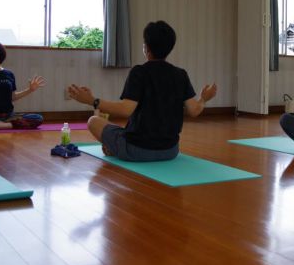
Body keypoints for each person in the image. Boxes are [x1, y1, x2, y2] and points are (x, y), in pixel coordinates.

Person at [67, 20, 217, 162]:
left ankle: (115, 148)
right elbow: (194, 110)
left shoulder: (139, 72)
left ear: (146, 47)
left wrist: (92, 101)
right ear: (170, 48)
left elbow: (125, 110)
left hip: (136, 150)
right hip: (170, 151)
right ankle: (115, 147)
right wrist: (204, 98)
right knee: (121, 130)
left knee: (93, 121)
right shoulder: (181, 74)